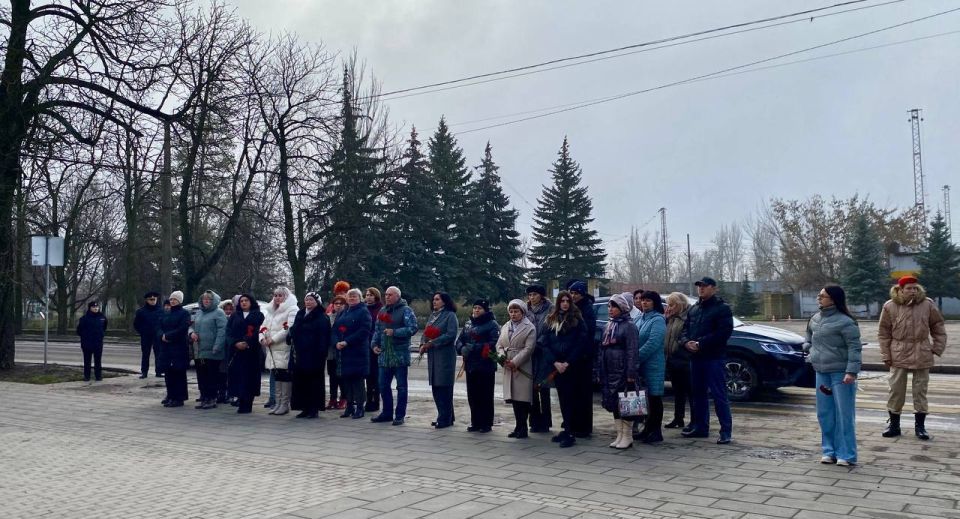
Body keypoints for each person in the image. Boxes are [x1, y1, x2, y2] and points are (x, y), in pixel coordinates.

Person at [878, 276, 947, 441]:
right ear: (900, 289)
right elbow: (883, 333)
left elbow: (938, 326)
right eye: (909, 288)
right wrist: (886, 355)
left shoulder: (927, 304)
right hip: (898, 353)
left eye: (915, 288)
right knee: (895, 390)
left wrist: (937, 348)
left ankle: (920, 427)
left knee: (920, 391)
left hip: (921, 352)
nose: (912, 291)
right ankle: (894, 425)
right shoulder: (890, 306)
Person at [806, 285, 862, 466]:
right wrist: (808, 349)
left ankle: (847, 454)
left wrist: (851, 371)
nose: (818, 299)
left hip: (841, 374)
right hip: (821, 372)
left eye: (822, 296)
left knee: (844, 414)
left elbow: (854, 347)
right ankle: (828, 451)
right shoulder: (814, 319)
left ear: (833, 299)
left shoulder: (846, 321)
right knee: (825, 414)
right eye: (819, 295)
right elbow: (808, 338)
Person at [680, 277, 734, 444]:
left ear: (713, 288)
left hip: (713, 358)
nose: (701, 289)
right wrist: (686, 342)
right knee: (698, 395)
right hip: (696, 358)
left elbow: (723, 333)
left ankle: (726, 431)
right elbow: (684, 330)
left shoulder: (721, 309)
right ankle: (701, 427)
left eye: (705, 286)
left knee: (719, 395)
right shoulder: (694, 309)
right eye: (699, 286)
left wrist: (700, 343)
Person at [539, 291, 588, 448]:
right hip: (556, 365)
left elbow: (581, 343)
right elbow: (544, 343)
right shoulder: (551, 319)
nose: (565, 303)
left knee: (571, 399)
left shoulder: (577, 319)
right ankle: (566, 429)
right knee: (562, 398)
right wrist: (554, 362)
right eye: (562, 301)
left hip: (571, 366)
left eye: (568, 301)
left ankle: (570, 431)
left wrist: (568, 362)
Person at [370, 286, 418, 426]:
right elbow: (377, 330)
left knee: (401, 387)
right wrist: (374, 345)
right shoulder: (383, 310)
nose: (387, 297)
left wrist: (395, 332)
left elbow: (413, 328)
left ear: (398, 296)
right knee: (383, 385)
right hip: (384, 355)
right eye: (386, 295)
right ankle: (386, 413)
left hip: (399, 354)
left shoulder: (406, 310)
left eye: (390, 295)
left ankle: (400, 415)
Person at [599, 294, 639, 449]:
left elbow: (632, 351)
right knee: (614, 403)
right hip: (609, 370)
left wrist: (631, 374)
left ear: (622, 308)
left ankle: (627, 436)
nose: (610, 310)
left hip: (622, 370)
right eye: (609, 306)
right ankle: (619, 434)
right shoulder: (609, 325)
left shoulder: (629, 326)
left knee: (626, 402)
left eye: (613, 306)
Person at [456, 299, 500, 433]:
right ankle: (475, 421)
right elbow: (460, 339)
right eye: (475, 308)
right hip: (470, 364)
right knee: (472, 395)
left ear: (485, 310)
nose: (476, 310)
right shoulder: (469, 324)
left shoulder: (492, 324)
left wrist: (474, 347)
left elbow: (493, 343)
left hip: (485, 364)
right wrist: (461, 348)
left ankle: (486, 423)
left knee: (485, 395)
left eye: (479, 308)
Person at [496, 299, 536, 439]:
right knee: (513, 397)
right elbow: (499, 344)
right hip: (508, 364)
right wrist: (501, 357)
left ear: (522, 312)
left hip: (522, 365)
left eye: (516, 311)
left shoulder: (529, 327)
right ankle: (518, 426)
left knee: (522, 398)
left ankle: (523, 427)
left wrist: (515, 362)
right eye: (511, 311)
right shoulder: (506, 326)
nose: (513, 314)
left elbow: (529, 348)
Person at [289, 291, 331, 418]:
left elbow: (324, 337)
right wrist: (290, 335)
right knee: (301, 382)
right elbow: (295, 328)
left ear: (317, 302)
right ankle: (304, 407)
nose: (308, 302)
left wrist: (321, 353)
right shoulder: (300, 314)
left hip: (314, 355)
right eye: (306, 299)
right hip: (300, 353)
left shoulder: (322, 317)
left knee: (314, 382)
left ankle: (314, 408)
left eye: (311, 300)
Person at [420, 292, 459, 429]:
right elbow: (426, 332)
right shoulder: (433, 315)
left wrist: (434, 342)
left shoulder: (450, 315)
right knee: (436, 386)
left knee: (444, 386)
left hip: (444, 355)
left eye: (437, 299)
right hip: (433, 355)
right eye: (433, 299)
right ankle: (445, 415)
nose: (434, 302)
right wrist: (422, 344)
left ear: (445, 301)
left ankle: (445, 418)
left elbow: (451, 334)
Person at [333, 288, 373, 419]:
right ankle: (349, 406)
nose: (351, 299)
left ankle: (360, 407)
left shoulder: (363, 312)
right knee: (346, 380)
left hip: (357, 352)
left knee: (357, 381)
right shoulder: (343, 312)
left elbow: (364, 331)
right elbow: (335, 329)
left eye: (354, 297)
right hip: (343, 352)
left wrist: (347, 341)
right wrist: (336, 342)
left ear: (360, 298)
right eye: (349, 297)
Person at [261, 286, 298, 416]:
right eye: (275, 295)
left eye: (280, 295)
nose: (277, 298)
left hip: (283, 348)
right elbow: (263, 326)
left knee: (285, 376)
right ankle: (277, 402)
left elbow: (288, 328)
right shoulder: (271, 311)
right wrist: (262, 338)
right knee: (276, 376)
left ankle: (284, 404)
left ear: (286, 297)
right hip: (271, 349)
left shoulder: (292, 309)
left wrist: (273, 339)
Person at [635, 291, 667, 444]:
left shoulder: (658, 320)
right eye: (642, 300)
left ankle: (656, 431)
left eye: (648, 300)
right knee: (645, 400)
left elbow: (653, 343)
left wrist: (636, 357)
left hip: (653, 365)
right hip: (639, 365)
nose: (644, 303)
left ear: (655, 302)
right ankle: (647, 429)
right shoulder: (639, 318)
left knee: (654, 398)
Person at [567, 280, 597, 438]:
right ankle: (573, 424)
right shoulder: (572, 308)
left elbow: (587, 332)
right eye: (571, 293)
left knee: (583, 393)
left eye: (576, 293)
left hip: (583, 356)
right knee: (573, 392)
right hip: (572, 355)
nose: (573, 296)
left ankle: (584, 427)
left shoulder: (587, 309)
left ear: (582, 294)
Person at [226, 295, 265, 414]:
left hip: (251, 352)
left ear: (251, 302)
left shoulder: (258, 315)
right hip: (237, 352)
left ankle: (248, 402)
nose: (243, 303)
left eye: (246, 301)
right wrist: (235, 343)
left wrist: (248, 343)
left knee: (249, 378)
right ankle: (240, 400)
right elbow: (228, 332)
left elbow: (260, 330)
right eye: (241, 301)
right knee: (238, 377)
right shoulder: (235, 315)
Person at [189, 290, 226, 410]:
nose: (206, 301)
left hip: (212, 351)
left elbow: (222, 331)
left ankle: (212, 398)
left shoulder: (219, 313)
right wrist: (192, 334)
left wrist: (217, 346)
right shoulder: (199, 313)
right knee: (201, 376)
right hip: (199, 350)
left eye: (209, 299)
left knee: (212, 376)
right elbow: (192, 327)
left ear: (213, 301)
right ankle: (204, 397)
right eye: (204, 299)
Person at [525, 285, 553, 433]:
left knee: (543, 387)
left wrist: (540, 342)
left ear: (541, 296)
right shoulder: (526, 310)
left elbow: (550, 329)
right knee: (530, 389)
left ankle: (546, 421)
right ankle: (534, 421)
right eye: (530, 295)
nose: (532, 298)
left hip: (543, 353)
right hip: (529, 353)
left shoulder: (550, 309)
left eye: (534, 294)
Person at [663, 292, 692, 429]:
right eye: (669, 304)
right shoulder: (672, 318)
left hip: (684, 359)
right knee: (678, 391)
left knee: (689, 392)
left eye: (672, 304)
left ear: (680, 304)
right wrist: (666, 319)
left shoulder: (687, 317)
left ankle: (694, 420)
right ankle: (678, 418)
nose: (670, 307)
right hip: (672, 359)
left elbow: (684, 337)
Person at [159, 291, 191, 408]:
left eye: (175, 300)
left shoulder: (184, 314)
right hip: (166, 347)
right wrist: (162, 335)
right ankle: (171, 395)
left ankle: (179, 397)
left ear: (180, 301)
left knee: (178, 373)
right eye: (171, 299)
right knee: (168, 373)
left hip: (178, 346)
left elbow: (182, 329)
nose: (172, 301)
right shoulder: (166, 313)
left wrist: (168, 336)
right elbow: (159, 326)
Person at [133, 291, 163, 378]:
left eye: (154, 299)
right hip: (146, 336)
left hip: (157, 336)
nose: (153, 301)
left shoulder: (161, 311)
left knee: (158, 354)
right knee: (145, 354)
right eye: (151, 299)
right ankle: (144, 372)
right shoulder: (141, 311)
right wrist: (142, 332)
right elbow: (136, 324)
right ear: (147, 300)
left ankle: (159, 371)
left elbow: (164, 323)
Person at [76, 301, 107, 382]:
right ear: (90, 308)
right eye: (94, 307)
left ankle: (98, 376)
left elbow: (104, 328)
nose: (96, 308)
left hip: (98, 343)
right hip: (87, 343)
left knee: (98, 361)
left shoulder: (102, 317)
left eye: (97, 307)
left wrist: (101, 335)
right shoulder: (84, 318)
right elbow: (79, 330)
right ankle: (87, 376)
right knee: (87, 361)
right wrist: (85, 336)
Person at [363, 287, 383, 412]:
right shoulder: (363, 309)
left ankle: (375, 400)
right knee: (367, 376)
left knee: (375, 375)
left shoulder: (380, 310)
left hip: (375, 345)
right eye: (366, 295)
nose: (368, 297)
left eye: (371, 295)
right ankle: (368, 399)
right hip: (364, 345)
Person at [326, 295, 347, 410]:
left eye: (341, 303)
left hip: (341, 351)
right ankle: (332, 398)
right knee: (332, 376)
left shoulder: (346, 316)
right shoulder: (328, 317)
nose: (338, 305)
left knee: (341, 376)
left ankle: (344, 398)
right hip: (330, 351)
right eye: (336, 303)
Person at [217, 298, 236, 404]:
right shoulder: (220, 319)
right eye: (226, 309)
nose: (228, 311)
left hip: (231, 349)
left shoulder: (234, 319)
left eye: (230, 309)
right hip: (221, 349)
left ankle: (230, 393)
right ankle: (221, 392)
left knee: (230, 373)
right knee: (221, 373)